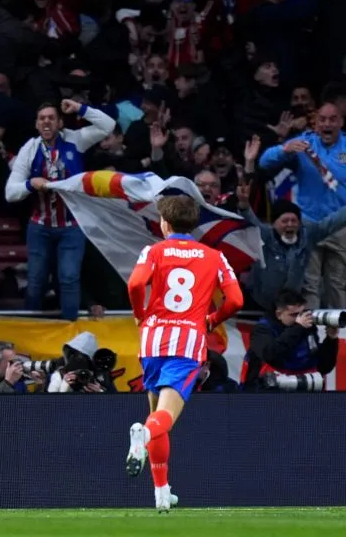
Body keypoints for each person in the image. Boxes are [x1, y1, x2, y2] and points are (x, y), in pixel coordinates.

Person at [125, 195, 244, 512]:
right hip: (187, 342)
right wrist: (212, 319)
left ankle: (162, 494)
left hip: (152, 339)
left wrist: (141, 314)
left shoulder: (153, 251)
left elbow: (136, 284)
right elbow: (235, 301)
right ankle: (143, 436)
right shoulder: (214, 257)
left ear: (164, 223)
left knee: (158, 415)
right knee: (161, 421)